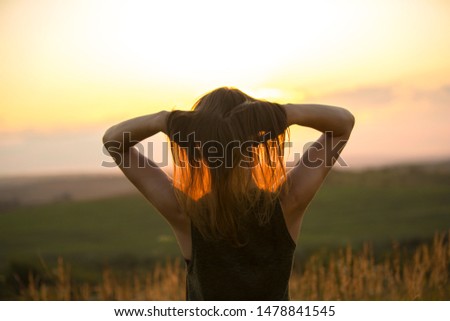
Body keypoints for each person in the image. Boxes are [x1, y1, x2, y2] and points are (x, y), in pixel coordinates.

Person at [102, 87, 355, 300]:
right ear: (257, 141)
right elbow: (343, 123)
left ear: (198, 147)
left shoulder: (187, 214)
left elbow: (114, 141)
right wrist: (281, 113)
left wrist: (164, 119)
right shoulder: (287, 204)